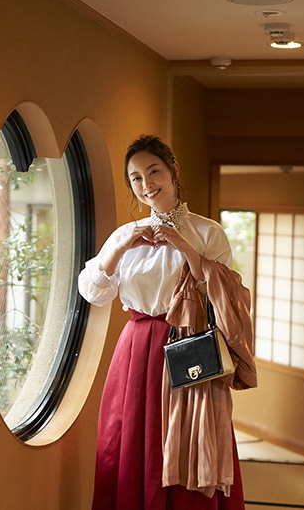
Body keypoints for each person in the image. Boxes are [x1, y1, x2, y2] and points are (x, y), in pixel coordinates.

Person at [78, 134, 256, 510]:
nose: (147, 184)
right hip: (137, 350)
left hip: (190, 349)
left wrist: (186, 249)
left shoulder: (207, 232)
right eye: (136, 178)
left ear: (173, 171)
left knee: (191, 444)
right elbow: (94, 293)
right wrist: (116, 250)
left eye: (153, 171)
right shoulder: (126, 236)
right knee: (125, 442)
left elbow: (225, 297)